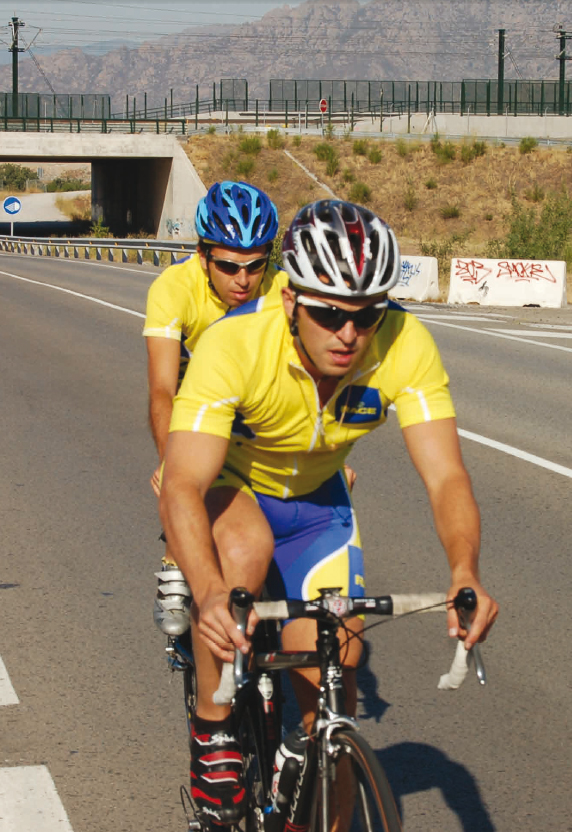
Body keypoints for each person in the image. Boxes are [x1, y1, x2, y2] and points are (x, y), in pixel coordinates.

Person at [159, 199, 499, 826]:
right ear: (291, 300)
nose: (348, 334)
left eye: (366, 315)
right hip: (234, 487)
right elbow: (181, 482)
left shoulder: (403, 341)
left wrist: (464, 568)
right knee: (238, 562)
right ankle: (213, 728)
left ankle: (304, 760)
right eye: (329, 314)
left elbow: (446, 473)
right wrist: (208, 593)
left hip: (319, 509)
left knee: (331, 702)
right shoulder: (235, 341)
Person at [143, 180, 287, 636]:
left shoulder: (280, 290)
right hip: (192, 399)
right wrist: (173, 467)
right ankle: (176, 558)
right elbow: (163, 389)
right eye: (227, 266)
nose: (243, 280)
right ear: (202, 255)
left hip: (252, 399)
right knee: (189, 482)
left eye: (255, 265)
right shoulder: (174, 287)